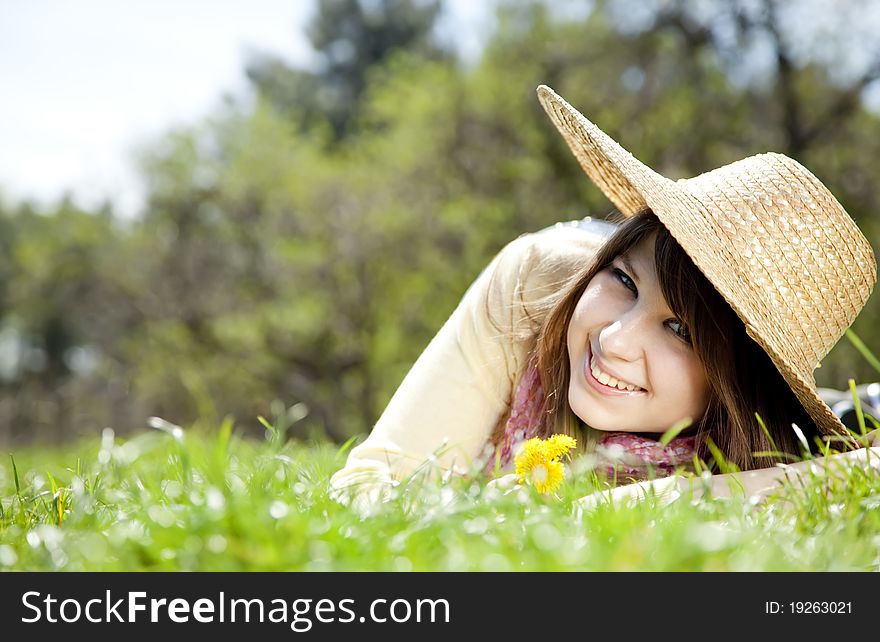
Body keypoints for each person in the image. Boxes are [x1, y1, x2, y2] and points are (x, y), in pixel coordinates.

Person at [329, 84, 879, 511]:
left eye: (680, 330)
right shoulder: (533, 285)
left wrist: (622, 504)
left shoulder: (761, 443)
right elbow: (372, 484)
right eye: (623, 281)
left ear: (737, 385)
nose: (613, 341)